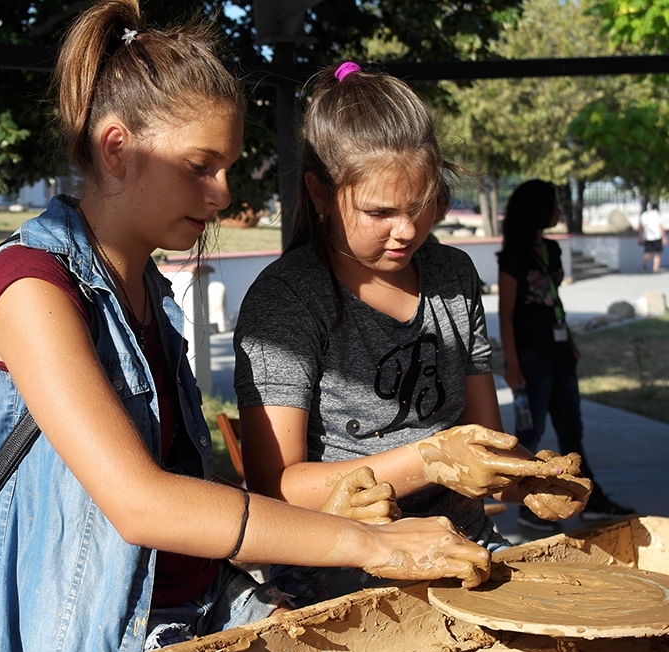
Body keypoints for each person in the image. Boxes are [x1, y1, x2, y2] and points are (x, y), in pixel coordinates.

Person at [0, 17, 491, 652]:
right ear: (117, 148)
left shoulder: (147, 293)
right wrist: (365, 542)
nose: (225, 192)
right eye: (201, 166)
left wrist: (330, 511)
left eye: (227, 167)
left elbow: (195, 525)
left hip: (194, 615)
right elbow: (143, 504)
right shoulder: (30, 289)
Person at [233, 62, 591, 608]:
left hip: (465, 547)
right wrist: (429, 458)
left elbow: (485, 438)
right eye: (381, 212)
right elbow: (275, 487)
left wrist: (528, 477)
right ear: (321, 192)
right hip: (338, 567)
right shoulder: (288, 299)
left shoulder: (453, 277)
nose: (406, 231)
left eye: (420, 206)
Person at [498, 179, 635, 532]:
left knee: (572, 430)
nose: (560, 211)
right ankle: (530, 503)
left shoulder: (553, 250)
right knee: (530, 433)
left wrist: (569, 340)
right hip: (532, 357)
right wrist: (512, 364)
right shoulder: (514, 255)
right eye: (554, 205)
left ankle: (589, 498)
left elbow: (555, 301)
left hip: (559, 353)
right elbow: (507, 314)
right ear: (537, 210)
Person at [639, 201, 665, 273]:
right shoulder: (657, 214)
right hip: (657, 236)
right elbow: (660, 226)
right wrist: (664, 237)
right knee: (657, 253)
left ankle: (644, 265)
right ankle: (655, 269)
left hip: (647, 237)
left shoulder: (644, 215)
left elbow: (641, 227)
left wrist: (640, 237)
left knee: (647, 252)